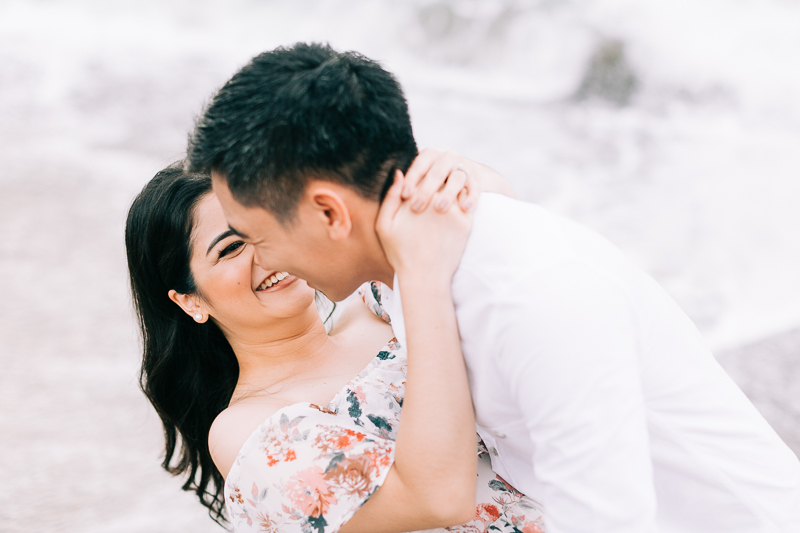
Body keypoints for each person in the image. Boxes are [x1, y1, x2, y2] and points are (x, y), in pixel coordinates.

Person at [187, 42, 800, 533]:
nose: (268, 259)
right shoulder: (407, 275)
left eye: (257, 236)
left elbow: (607, 518)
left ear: (329, 213)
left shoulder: (528, 294)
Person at [125, 162, 546, 533]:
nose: (266, 251)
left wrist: (435, 173)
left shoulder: (377, 299)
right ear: (190, 301)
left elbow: (496, 214)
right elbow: (438, 499)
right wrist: (423, 280)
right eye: (232, 247)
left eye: (268, 224)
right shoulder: (245, 431)